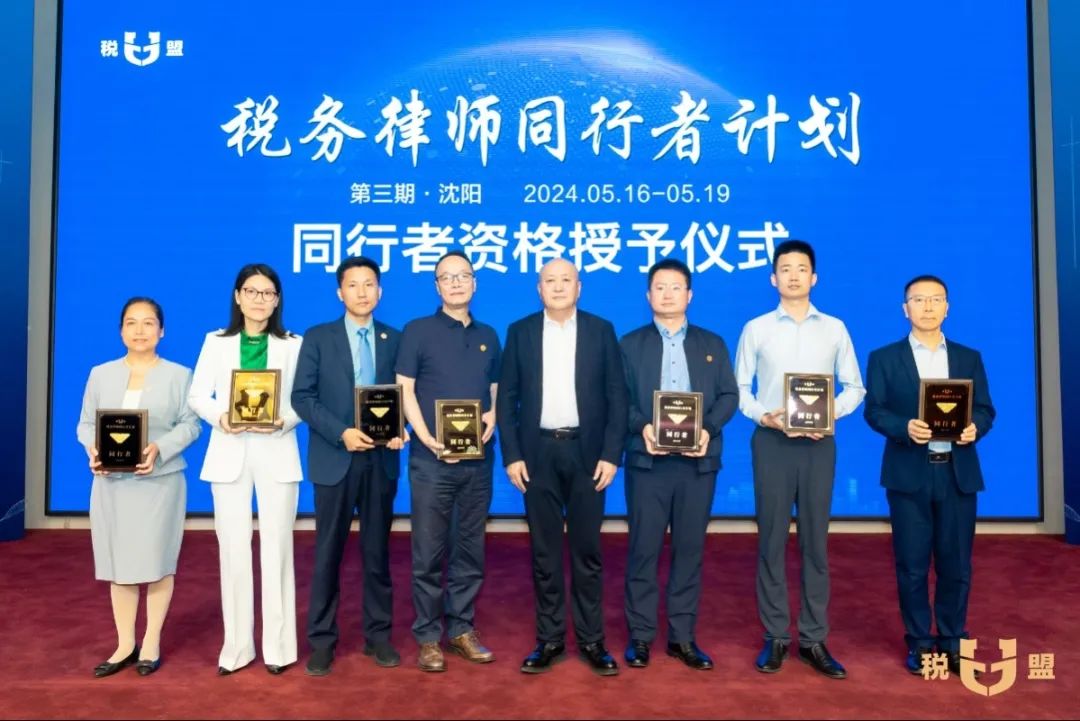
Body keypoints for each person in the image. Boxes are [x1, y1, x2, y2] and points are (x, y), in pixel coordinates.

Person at [734, 240, 865, 679]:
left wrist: (829, 415)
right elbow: (739, 390)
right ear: (773, 278)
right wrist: (765, 417)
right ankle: (775, 636)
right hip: (771, 442)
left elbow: (855, 387)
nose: (793, 275)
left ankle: (813, 639)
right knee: (771, 539)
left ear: (814, 277)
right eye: (785, 269)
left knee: (815, 541)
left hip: (818, 445)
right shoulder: (756, 328)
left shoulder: (834, 328)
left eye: (801, 268)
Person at [497, 258, 628, 676]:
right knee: (545, 552)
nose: (557, 287)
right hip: (537, 455)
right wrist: (512, 455)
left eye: (565, 280)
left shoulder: (601, 330)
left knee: (587, 552)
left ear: (579, 287)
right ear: (538, 289)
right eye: (549, 280)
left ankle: (592, 641)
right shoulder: (520, 332)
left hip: (588, 455)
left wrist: (611, 454)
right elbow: (507, 400)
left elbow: (618, 398)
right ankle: (549, 640)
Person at [863, 275, 995, 676]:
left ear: (947, 307)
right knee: (912, 564)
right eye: (918, 300)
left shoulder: (968, 357)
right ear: (905, 308)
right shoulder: (884, 358)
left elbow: (985, 409)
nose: (927, 306)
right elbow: (875, 411)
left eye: (936, 299)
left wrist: (974, 428)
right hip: (908, 474)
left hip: (957, 474)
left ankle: (953, 641)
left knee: (957, 564)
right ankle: (920, 643)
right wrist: (905, 427)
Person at [619, 259, 739, 671]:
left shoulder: (712, 344)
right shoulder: (629, 344)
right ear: (648, 295)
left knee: (690, 551)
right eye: (659, 287)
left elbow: (729, 396)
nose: (667, 294)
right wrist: (642, 427)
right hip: (647, 464)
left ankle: (682, 638)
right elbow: (619, 400)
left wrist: (706, 429)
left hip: (697, 464)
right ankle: (640, 636)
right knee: (643, 551)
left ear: (689, 295)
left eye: (675, 287)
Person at [292, 256, 407, 676]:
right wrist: (341, 432)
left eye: (369, 284)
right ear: (340, 292)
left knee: (377, 553)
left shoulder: (396, 339)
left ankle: (379, 636)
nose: (362, 292)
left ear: (380, 291)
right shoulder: (318, 337)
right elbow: (302, 397)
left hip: (380, 460)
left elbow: (406, 396)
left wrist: (401, 427)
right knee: (328, 553)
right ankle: (322, 640)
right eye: (353, 285)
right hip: (334, 457)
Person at [188, 264, 304, 675]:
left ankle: (279, 648)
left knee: (278, 548)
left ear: (277, 300)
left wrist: (283, 420)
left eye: (267, 293)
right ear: (238, 297)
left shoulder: (293, 344)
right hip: (229, 451)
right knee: (233, 551)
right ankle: (236, 649)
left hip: (277, 450)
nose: (259, 299)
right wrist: (221, 418)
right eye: (251, 292)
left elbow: (304, 398)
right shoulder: (216, 342)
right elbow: (197, 395)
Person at [77, 297, 201, 677]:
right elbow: (85, 424)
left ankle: (151, 642)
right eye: (131, 323)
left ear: (162, 331)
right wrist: (93, 449)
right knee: (119, 564)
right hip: (112, 484)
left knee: (158, 562)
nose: (140, 330)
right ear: (121, 331)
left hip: (159, 483)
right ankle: (124, 644)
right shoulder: (100, 374)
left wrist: (159, 448)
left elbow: (191, 425)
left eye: (148, 323)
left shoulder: (180, 375)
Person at [395, 250, 501, 672]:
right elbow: (405, 389)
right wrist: (426, 437)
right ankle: (427, 636)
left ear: (475, 283)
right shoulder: (417, 331)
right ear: (436, 286)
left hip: (477, 462)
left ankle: (461, 629)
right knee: (428, 551)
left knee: (469, 549)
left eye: (463, 276)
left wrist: (492, 415)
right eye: (447, 277)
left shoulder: (489, 335)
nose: (456, 283)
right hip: (431, 462)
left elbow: (494, 388)